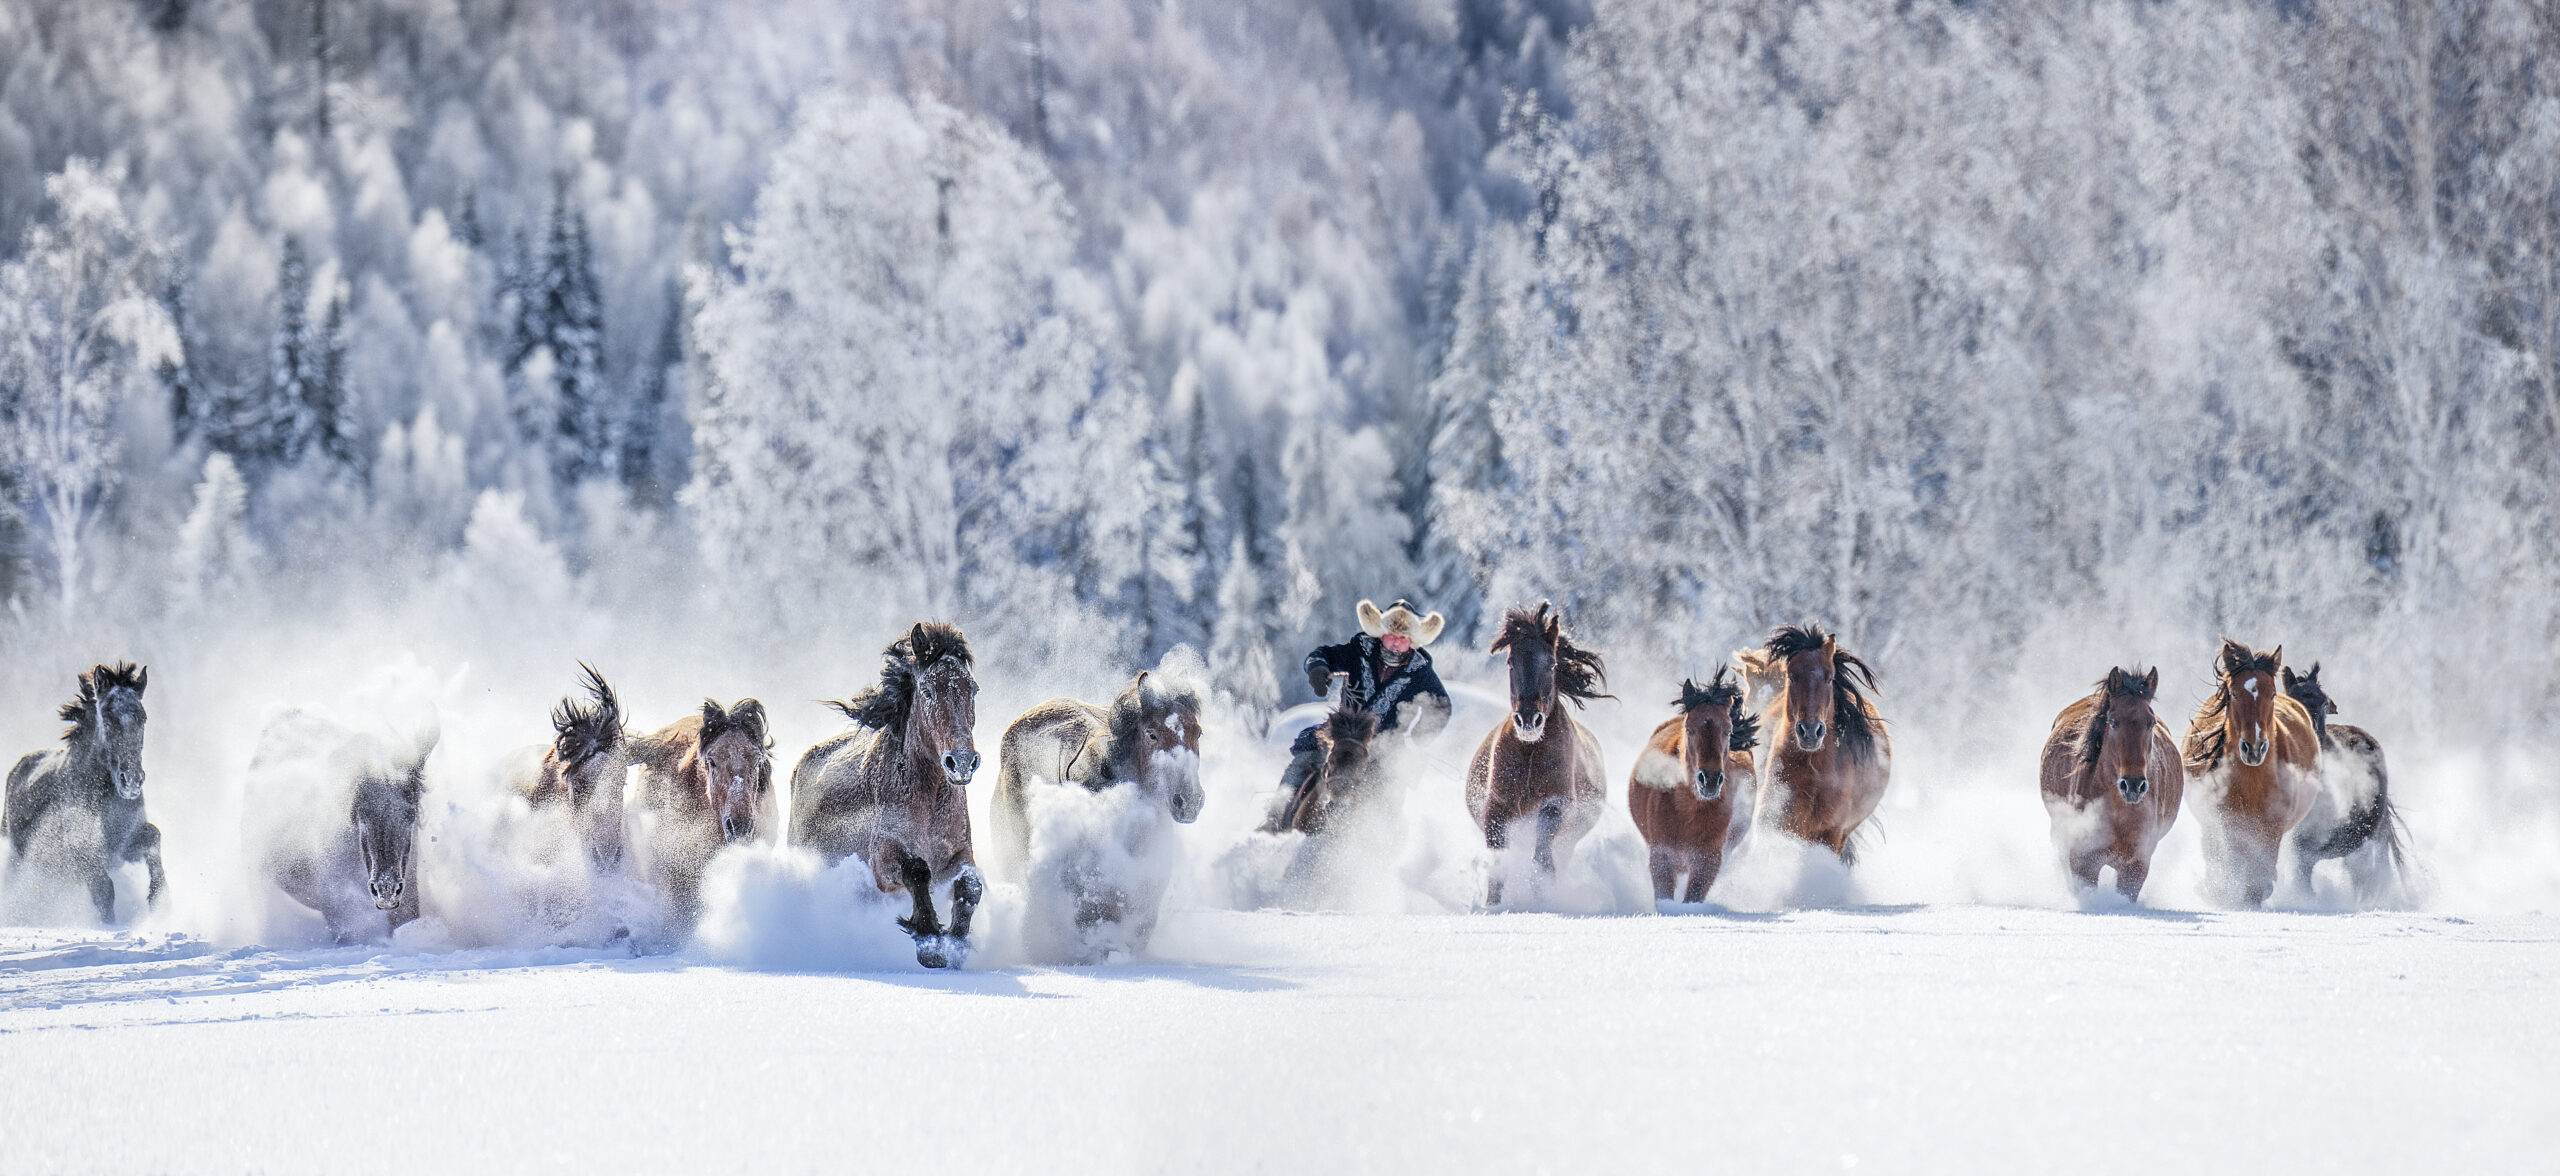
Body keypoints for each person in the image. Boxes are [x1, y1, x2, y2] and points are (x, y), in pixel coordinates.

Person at [1264, 598, 1453, 831]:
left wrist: (1416, 739)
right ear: (1381, 633)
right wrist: (1319, 669)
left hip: (1385, 746)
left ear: (1411, 642)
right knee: (1304, 759)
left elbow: (1441, 705)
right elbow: (1322, 655)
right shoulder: (1359, 650)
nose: (1395, 643)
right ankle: (1273, 820)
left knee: (1390, 790)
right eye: (1391, 635)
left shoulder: (1420, 671)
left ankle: (1381, 843)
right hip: (1341, 734)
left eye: (1402, 638)